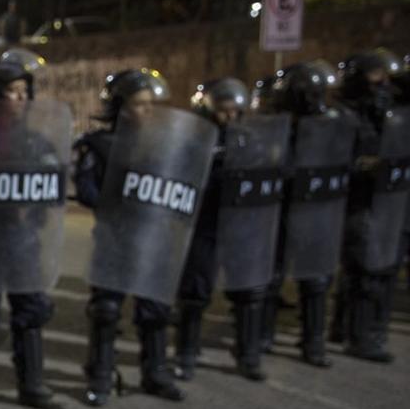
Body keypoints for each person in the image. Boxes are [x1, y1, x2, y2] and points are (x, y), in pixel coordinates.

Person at [0, 48, 64, 409]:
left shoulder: (37, 143)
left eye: (24, 91)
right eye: (11, 91)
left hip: (23, 242)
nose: (20, 98)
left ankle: (31, 383)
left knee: (31, 310)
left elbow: (53, 189)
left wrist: (33, 215)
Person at [73, 69, 186, 405]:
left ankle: (155, 373)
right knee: (106, 310)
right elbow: (86, 190)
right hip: (114, 240)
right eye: (139, 104)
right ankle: (101, 376)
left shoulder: (165, 146)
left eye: (151, 104)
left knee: (155, 309)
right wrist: (119, 203)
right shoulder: (99, 146)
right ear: (120, 107)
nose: (148, 111)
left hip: (154, 241)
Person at [173, 78, 272, 382]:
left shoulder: (250, 139)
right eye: (223, 112)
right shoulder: (192, 139)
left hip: (241, 223)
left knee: (248, 288)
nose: (230, 118)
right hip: (205, 223)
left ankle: (248, 355)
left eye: (235, 112)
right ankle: (186, 354)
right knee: (194, 290)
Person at [263, 61, 352, 367]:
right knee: (271, 275)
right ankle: (262, 334)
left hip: (317, 209)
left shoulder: (334, 124)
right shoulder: (274, 126)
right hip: (282, 207)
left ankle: (313, 341)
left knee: (315, 278)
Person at [332, 49, 404, 363]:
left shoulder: (392, 114)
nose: (383, 85)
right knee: (365, 269)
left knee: (374, 267)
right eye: (376, 78)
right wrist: (364, 165)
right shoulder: (344, 116)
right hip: (358, 201)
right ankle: (361, 337)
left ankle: (346, 328)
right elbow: (330, 159)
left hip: (388, 201)